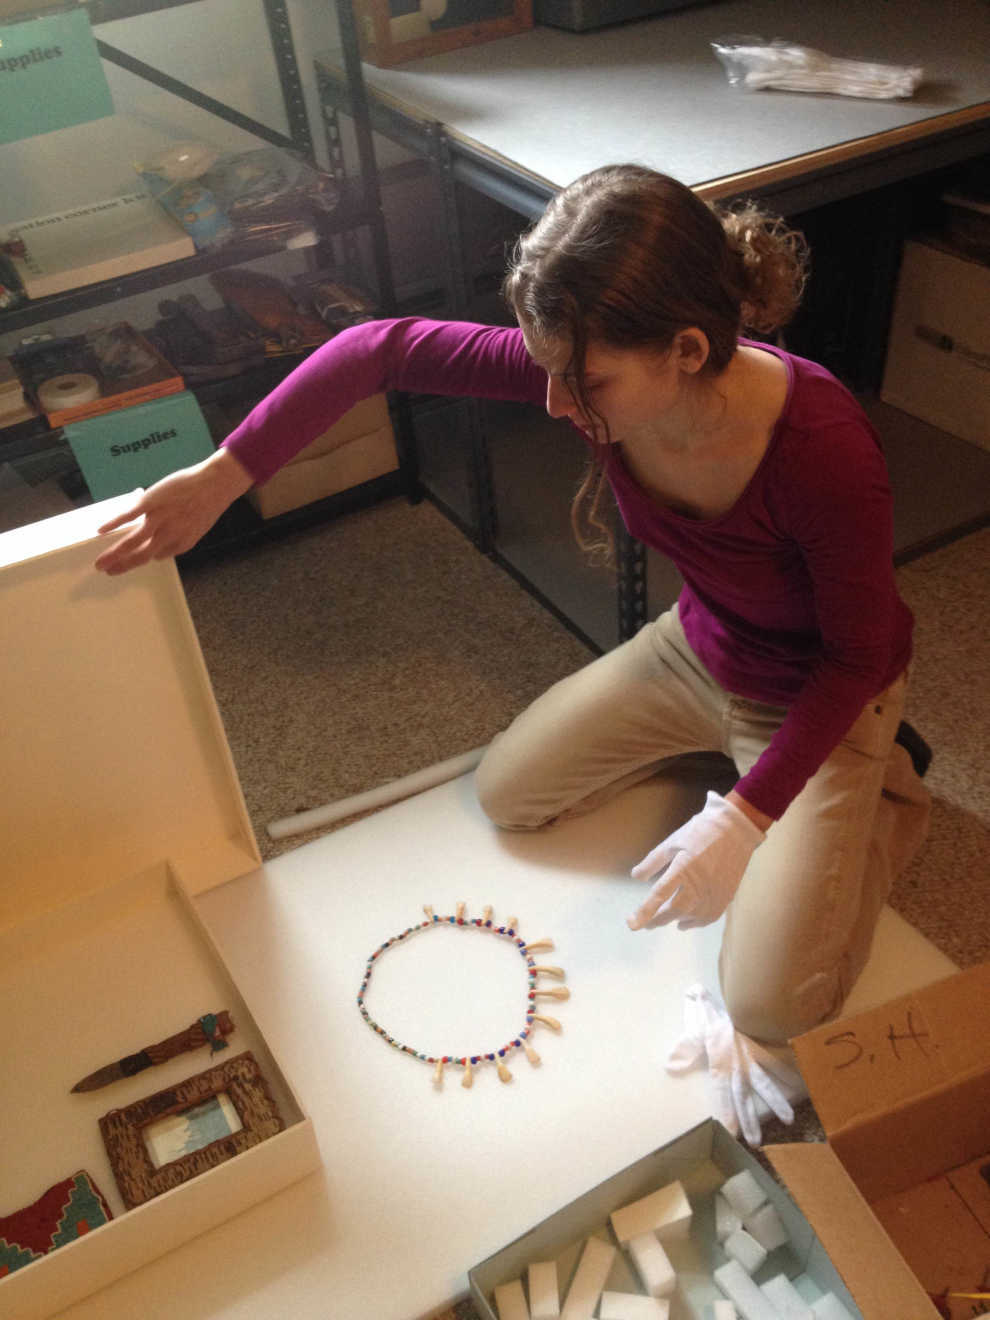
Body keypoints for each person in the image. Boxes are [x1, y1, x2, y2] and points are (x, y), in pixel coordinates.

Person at [96, 164, 931, 1139]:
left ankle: (889, 790)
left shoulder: (822, 444)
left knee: (773, 1004)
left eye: (579, 383)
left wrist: (747, 819)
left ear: (688, 350)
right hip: (701, 649)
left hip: (827, 691)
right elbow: (378, 349)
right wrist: (226, 470)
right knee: (510, 794)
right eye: (544, 369)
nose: (552, 403)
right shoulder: (598, 367)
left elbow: (857, 651)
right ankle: (744, 773)